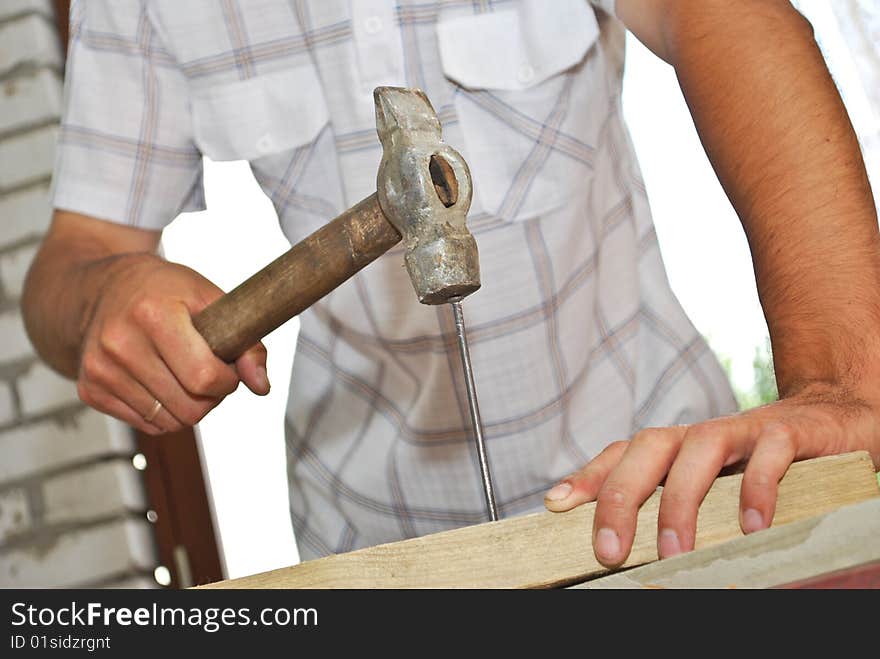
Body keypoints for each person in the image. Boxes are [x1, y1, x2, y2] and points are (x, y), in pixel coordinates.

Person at [22, 0, 880, 567]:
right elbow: (75, 255)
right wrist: (101, 294)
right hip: (376, 546)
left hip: (668, 496)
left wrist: (841, 383)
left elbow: (725, 15)